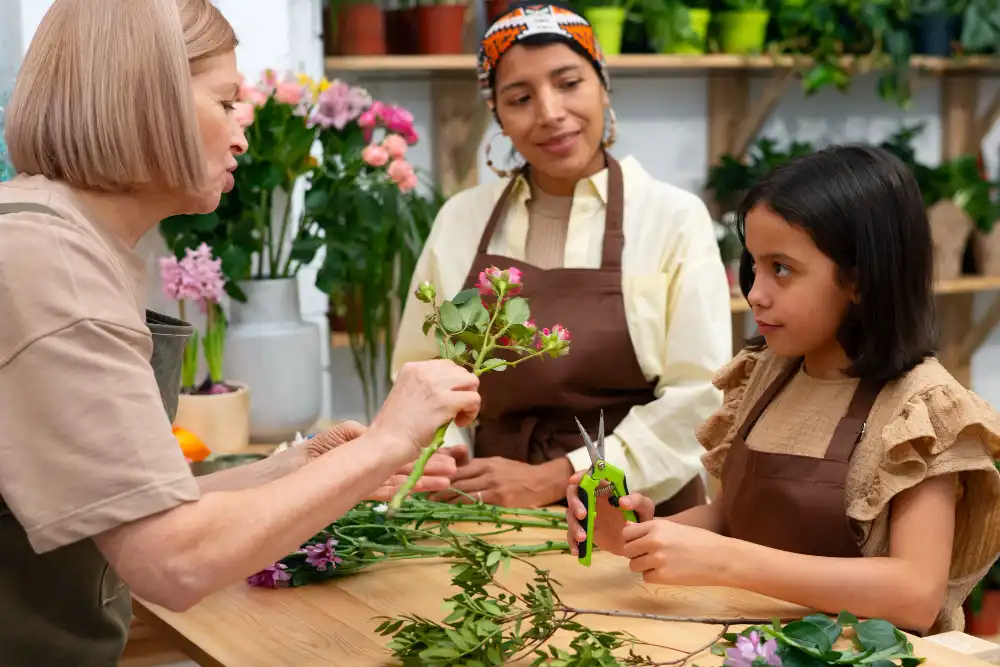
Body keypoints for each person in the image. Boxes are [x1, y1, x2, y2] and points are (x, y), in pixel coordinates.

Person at [0, 1, 479, 665]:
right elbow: (171, 559)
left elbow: (129, 507)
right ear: (149, 100)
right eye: (226, 103)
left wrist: (298, 468)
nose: (242, 138)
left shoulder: (61, 241)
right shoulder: (51, 265)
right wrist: (392, 438)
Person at [564, 144, 1000, 635]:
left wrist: (727, 562)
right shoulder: (767, 375)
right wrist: (633, 535)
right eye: (754, 266)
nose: (755, 293)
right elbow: (732, 519)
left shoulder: (921, 408)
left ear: (859, 279)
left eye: (782, 269)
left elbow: (914, 595)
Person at [391, 1, 732, 514]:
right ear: (498, 117)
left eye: (569, 83)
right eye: (520, 97)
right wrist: (444, 475)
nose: (550, 113)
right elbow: (420, 379)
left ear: (603, 84)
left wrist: (560, 477)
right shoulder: (461, 220)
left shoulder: (672, 219)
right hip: (489, 512)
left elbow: (698, 402)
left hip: (639, 515)